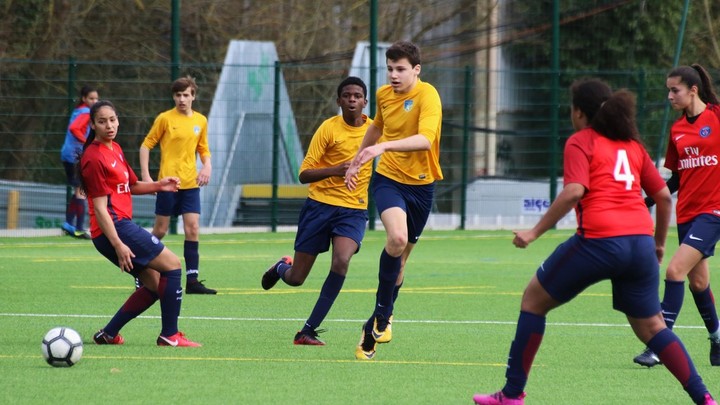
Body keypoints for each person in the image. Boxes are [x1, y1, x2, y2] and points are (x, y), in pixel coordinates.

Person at [472, 79, 716, 405]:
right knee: (653, 328)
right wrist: (657, 244)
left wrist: (533, 232)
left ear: (579, 112)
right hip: (640, 245)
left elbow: (574, 191)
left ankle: (512, 394)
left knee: (533, 300)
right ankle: (705, 399)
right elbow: (662, 196)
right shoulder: (632, 145)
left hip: (599, 242)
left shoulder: (580, 141)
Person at [344, 40, 443, 360]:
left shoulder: (428, 95)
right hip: (388, 180)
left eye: (400, 69)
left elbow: (426, 140)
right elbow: (376, 128)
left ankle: (374, 323)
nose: (393, 76)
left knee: (400, 261)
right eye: (389, 69)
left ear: (416, 70)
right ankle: (384, 317)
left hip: (422, 186)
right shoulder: (384, 95)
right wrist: (360, 158)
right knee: (396, 238)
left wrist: (383, 147)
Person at [79, 100, 201, 347]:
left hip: (117, 228)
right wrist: (118, 245)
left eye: (112, 119)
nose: (109, 125)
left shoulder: (115, 148)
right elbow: (100, 209)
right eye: (102, 121)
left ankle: (108, 334)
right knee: (172, 264)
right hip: (114, 228)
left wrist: (159, 185)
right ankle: (170, 335)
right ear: (93, 124)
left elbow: (131, 186)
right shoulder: (93, 158)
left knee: (156, 285)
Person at [261, 77, 373, 345]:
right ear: (339, 101)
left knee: (342, 260)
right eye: (347, 96)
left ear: (365, 102)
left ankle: (307, 331)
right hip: (319, 207)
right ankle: (280, 268)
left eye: (357, 96)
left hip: (353, 210)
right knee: (297, 278)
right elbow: (303, 174)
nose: (352, 100)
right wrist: (335, 170)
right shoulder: (328, 129)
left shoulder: (375, 130)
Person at [633, 64, 720, 368]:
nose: (669, 96)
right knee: (698, 284)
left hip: (714, 213)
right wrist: (647, 200)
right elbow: (676, 179)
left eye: (675, 90)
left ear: (693, 90)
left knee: (673, 271)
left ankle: (659, 345)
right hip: (687, 213)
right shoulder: (677, 129)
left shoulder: (717, 116)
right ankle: (718, 338)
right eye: (668, 90)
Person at [139, 76, 216, 294]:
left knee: (192, 228)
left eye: (186, 95)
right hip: (167, 184)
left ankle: (192, 281)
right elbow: (146, 146)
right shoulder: (164, 118)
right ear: (174, 96)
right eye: (178, 95)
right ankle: (141, 271)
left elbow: (203, 148)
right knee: (160, 231)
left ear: (193, 96)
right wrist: (147, 177)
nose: (181, 99)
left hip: (190, 183)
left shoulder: (200, 120)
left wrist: (207, 166)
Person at [60, 85, 99, 239]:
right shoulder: (86, 112)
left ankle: (69, 224)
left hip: (68, 155)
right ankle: (78, 228)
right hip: (74, 156)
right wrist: (87, 143)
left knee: (78, 190)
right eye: (91, 98)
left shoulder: (79, 110)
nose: (95, 101)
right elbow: (74, 128)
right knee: (81, 191)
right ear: (84, 99)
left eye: (96, 98)